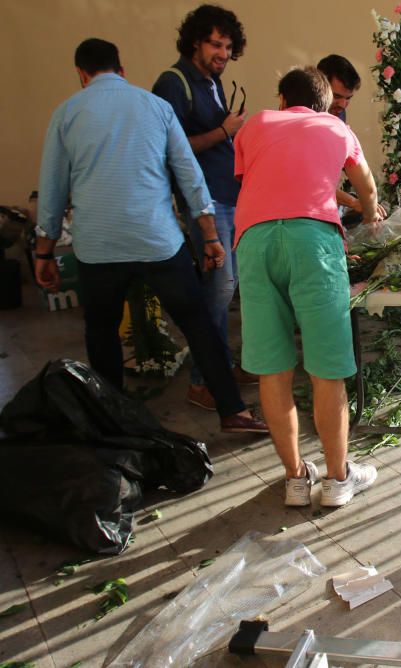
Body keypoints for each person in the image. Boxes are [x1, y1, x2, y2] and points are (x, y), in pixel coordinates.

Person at [35, 38, 266, 434]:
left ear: (82, 75)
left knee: (101, 331)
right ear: (121, 71)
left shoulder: (66, 114)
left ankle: (111, 421)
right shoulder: (156, 107)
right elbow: (189, 175)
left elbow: (53, 189)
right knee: (198, 324)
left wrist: (44, 253)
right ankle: (233, 411)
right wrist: (210, 236)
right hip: (157, 241)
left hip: (97, 247)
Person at [233, 67, 382, 507]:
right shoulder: (336, 128)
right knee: (327, 368)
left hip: (255, 241)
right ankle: (338, 480)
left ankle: (296, 479)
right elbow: (366, 185)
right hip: (313, 244)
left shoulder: (257, 123)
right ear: (324, 104)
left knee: (273, 368)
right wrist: (370, 211)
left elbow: (264, 180)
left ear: (282, 99)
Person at [153, 4, 256, 412]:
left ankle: (221, 367)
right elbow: (169, 149)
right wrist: (223, 131)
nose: (222, 53)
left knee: (228, 289)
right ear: (195, 40)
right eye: (215, 44)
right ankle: (202, 381)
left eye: (229, 47)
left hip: (227, 197)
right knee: (218, 291)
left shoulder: (211, 81)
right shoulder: (173, 82)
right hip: (206, 205)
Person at [316, 54, 387, 222]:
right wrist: (355, 202)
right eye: (337, 96)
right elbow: (313, 181)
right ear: (319, 86)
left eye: (348, 98)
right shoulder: (303, 118)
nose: (342, 105)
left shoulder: (338, 115)